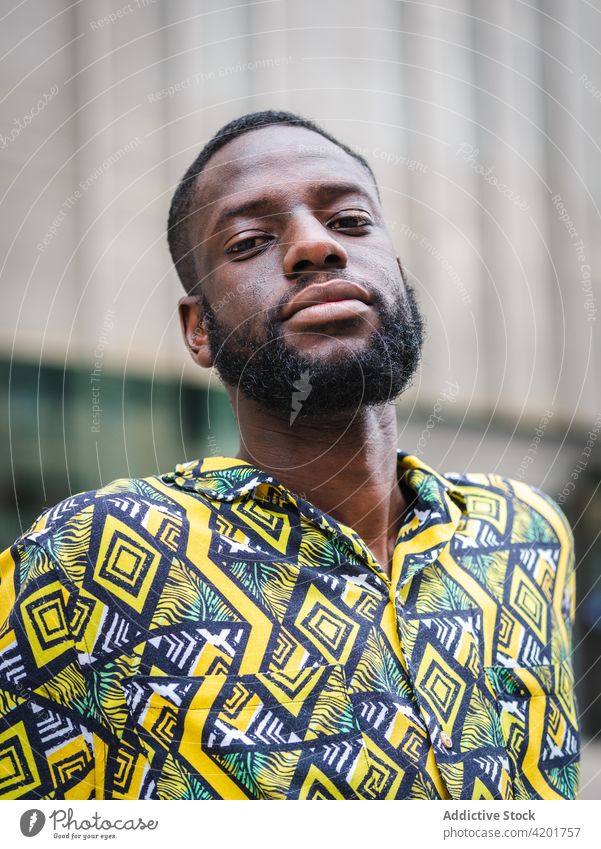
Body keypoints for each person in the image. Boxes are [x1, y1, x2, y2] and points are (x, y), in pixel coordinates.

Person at [0, 111, 578, 801]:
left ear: (395, 273)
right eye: (249, 241)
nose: (315, 245)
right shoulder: (90, 553)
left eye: (352, 222)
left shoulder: (527, 532)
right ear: (198, 330)